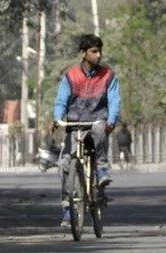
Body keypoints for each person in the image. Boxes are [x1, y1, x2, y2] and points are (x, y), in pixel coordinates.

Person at [52, 33, 121, 225]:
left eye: (100, 51)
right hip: (75, 126)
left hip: (97, 122)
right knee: (65, 164)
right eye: (94, 51)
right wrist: (57, 118)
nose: (99, 55)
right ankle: (68, 209)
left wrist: (112, 119)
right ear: (83, 53)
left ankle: (101, 170)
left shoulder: (108, 76)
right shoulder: (70, 77)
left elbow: (114, 100)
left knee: (99, 129)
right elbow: (61, 102)